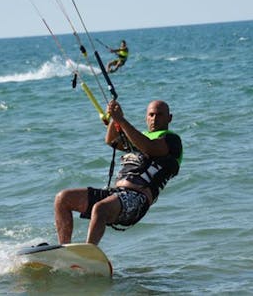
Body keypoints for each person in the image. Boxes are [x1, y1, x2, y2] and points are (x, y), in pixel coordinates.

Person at [54, 100, 183, 245]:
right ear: (146, 117)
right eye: (151, 115)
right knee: (63, 198)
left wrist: (121, 119)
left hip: (137, 199)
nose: (154, 118)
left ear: (169, 118)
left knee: (100, 208)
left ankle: (89, 253)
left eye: (159, 115)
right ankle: (63, 249)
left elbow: (149, 147)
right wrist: (114, 118)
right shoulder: (138, 137)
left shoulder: (172, 140)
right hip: (116, 194)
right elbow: (111, 140)